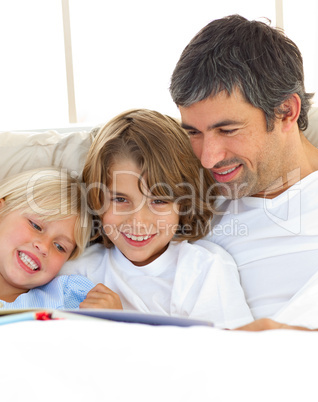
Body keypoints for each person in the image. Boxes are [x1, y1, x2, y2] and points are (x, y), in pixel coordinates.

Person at [169, 14, 318, 332]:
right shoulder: (184, 204)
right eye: (194, 132)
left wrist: (295, 338)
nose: (208, 159)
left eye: (227, 130)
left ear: (286, 112)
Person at [60, 108, 253, 329]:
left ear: (183, 203)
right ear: (96, 199)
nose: (138, 222)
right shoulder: (76, 268)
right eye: (120, 199)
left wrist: (119, 326)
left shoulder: (202, 269)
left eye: (159, 201)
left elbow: (228, 354)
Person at [0, 167, 96, 309]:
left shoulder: (69, 297)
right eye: (36, 226)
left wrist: (112, 318)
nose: (44, 246)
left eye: (60, 246)